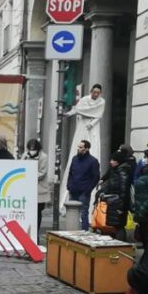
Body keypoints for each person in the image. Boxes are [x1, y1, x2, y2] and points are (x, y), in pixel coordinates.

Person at [59, 84, 105, 212]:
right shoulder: (84, 100)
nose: (96, 94)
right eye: (94, 92)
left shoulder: (101, 102)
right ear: (91, 91)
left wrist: (92, 123)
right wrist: (68, 114)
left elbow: (98, 115)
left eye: (98, 92)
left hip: (92, 127)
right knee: (78, 145)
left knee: (93, 147)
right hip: (83, 125)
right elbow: (77, 109)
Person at [96, 150, 132, 240]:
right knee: (114, 224)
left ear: (118, 162)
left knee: (119, 225)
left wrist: (121, 207)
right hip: (114, 201)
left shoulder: (122, 171)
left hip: (119, 202)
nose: (110, 162)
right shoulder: (115, 169)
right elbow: (108, 174)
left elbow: (124, 190)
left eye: (113, 160)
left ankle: (120, 243)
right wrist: (102, 180)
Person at [66, 139, 100, 230]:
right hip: (73, 190)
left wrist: (88, 190)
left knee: (84, 213)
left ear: (86, 149)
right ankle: (72, 230)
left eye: (80, 147)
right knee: (72, 212)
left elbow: (96, 177)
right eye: (78, 147)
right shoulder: (74, 159)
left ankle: (84, 231)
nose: (78, 148)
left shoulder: (93, 161)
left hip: (84, 191)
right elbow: (70, 173)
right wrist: (69, 185)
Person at [22, 139, 49, 232]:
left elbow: (42, 173)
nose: (31, 151)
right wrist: (24, 159)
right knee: (28, 211)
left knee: (37, 212)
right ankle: (28, 231)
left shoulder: (43, 157)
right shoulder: (25, 155)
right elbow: (20, 167)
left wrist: (29, 176)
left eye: (33, 149)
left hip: (39, 189)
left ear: (38, 148)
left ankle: (36, 232)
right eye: (30, 149)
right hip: (27, 189)